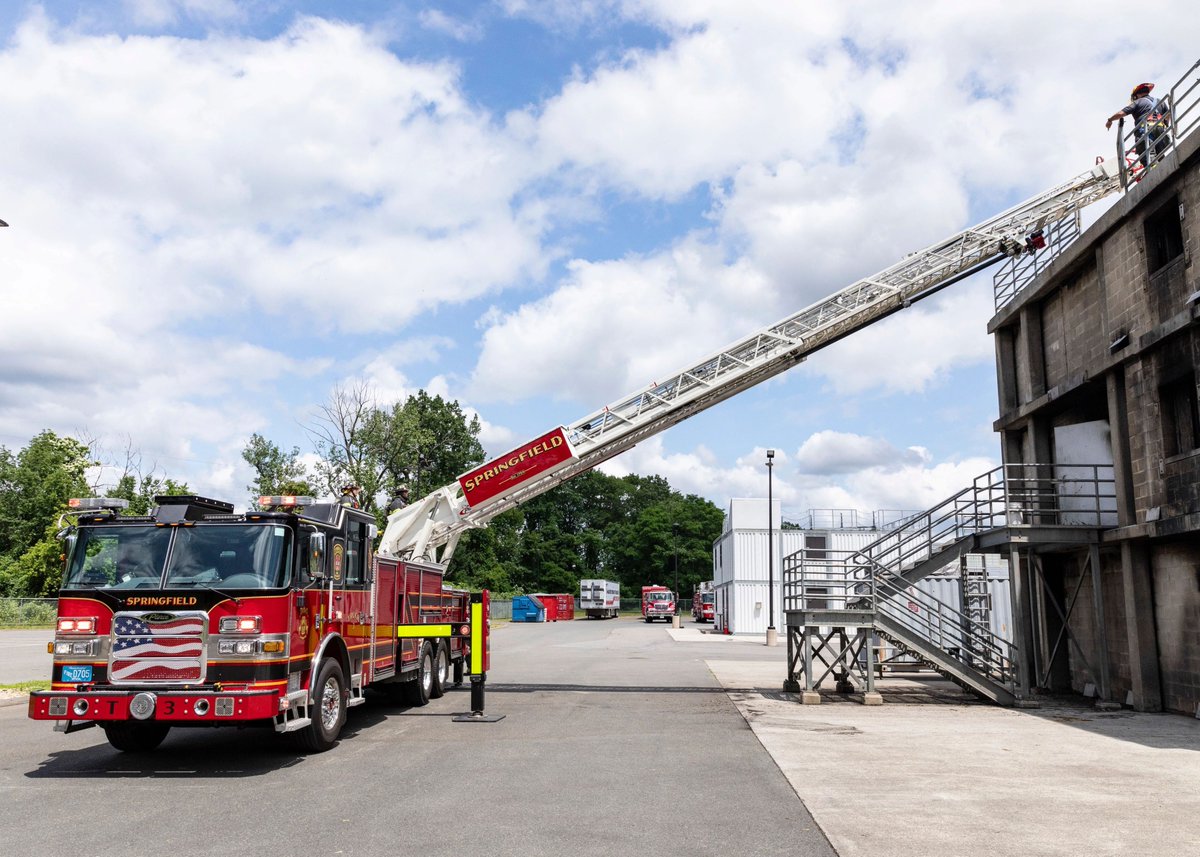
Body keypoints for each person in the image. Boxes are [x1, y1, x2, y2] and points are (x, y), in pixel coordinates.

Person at [1106, 82, 1170, 170]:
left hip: (1146, 129)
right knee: (1160, 153)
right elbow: (1168, 115)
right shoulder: (1160, 101)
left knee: (1146, 154)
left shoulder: (1138, 102)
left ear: (1137, 95)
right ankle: (1165, 168)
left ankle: (1152, 169)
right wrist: (1166, 125)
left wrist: (1110, 120)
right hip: (1160, 129)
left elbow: (1121, 114)